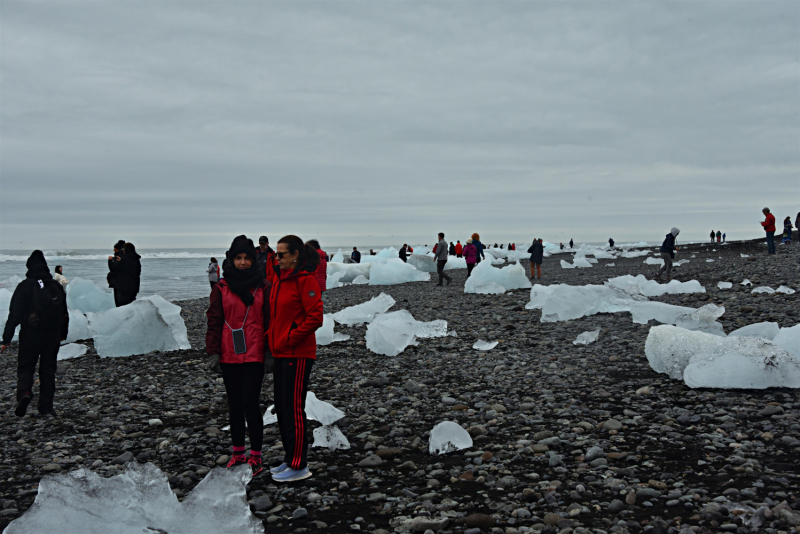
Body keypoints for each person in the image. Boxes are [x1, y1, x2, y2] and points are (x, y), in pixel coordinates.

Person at [205, 236, 270, 476]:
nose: (243, 263)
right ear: (231, 260)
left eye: (247, 258)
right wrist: (212, 352)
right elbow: (214, 320)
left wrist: (269, 351)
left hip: (254, 353)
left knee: (251, 405)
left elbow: (269, 321)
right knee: (234, 406)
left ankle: (256, 456)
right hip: (228, 353)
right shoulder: (221, 287)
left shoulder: (263, 286)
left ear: (253, 261)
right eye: (238, 258)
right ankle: (238, 453)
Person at [265, 235, 323, 482]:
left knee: (294, 409)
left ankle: (299, 465)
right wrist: (271, 339)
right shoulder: (280, 280)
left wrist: (290, 338)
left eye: (281, 254)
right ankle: (290, 459)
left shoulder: (305, 280)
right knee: (282, 407)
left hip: (297, 354)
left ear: (295, 254)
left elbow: (315, 317)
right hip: (280, 352)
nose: (277, 259)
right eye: (276, 255)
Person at [1, 250, 69, 417]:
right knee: (48, 370)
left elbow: (15, 314)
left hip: (30, 334)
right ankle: (46, 408)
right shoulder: (56, 286)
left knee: (25, 367)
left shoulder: (24, 286)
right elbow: (63, 314)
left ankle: (24, 393)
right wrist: (62, 334)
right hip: (51, 334)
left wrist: (6, 339)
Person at [108, 242, 141, 306]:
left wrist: (110, 261)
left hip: (124, 288)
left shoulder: (125, 260)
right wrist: (121, 261)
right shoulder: (135, 259)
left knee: (122, 306)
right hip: (134, 287)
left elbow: (113, 268)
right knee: (131, 305)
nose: (123, 251)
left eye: (124, 250)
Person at [107, 240, 126, 304]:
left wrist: (109, 261)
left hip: (118, 281)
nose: (113, 250)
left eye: (114, 248)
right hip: (124, 281)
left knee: (118, 301)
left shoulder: (118, 257)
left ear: (117, 249)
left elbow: (112, 268)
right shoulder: (125, 256)